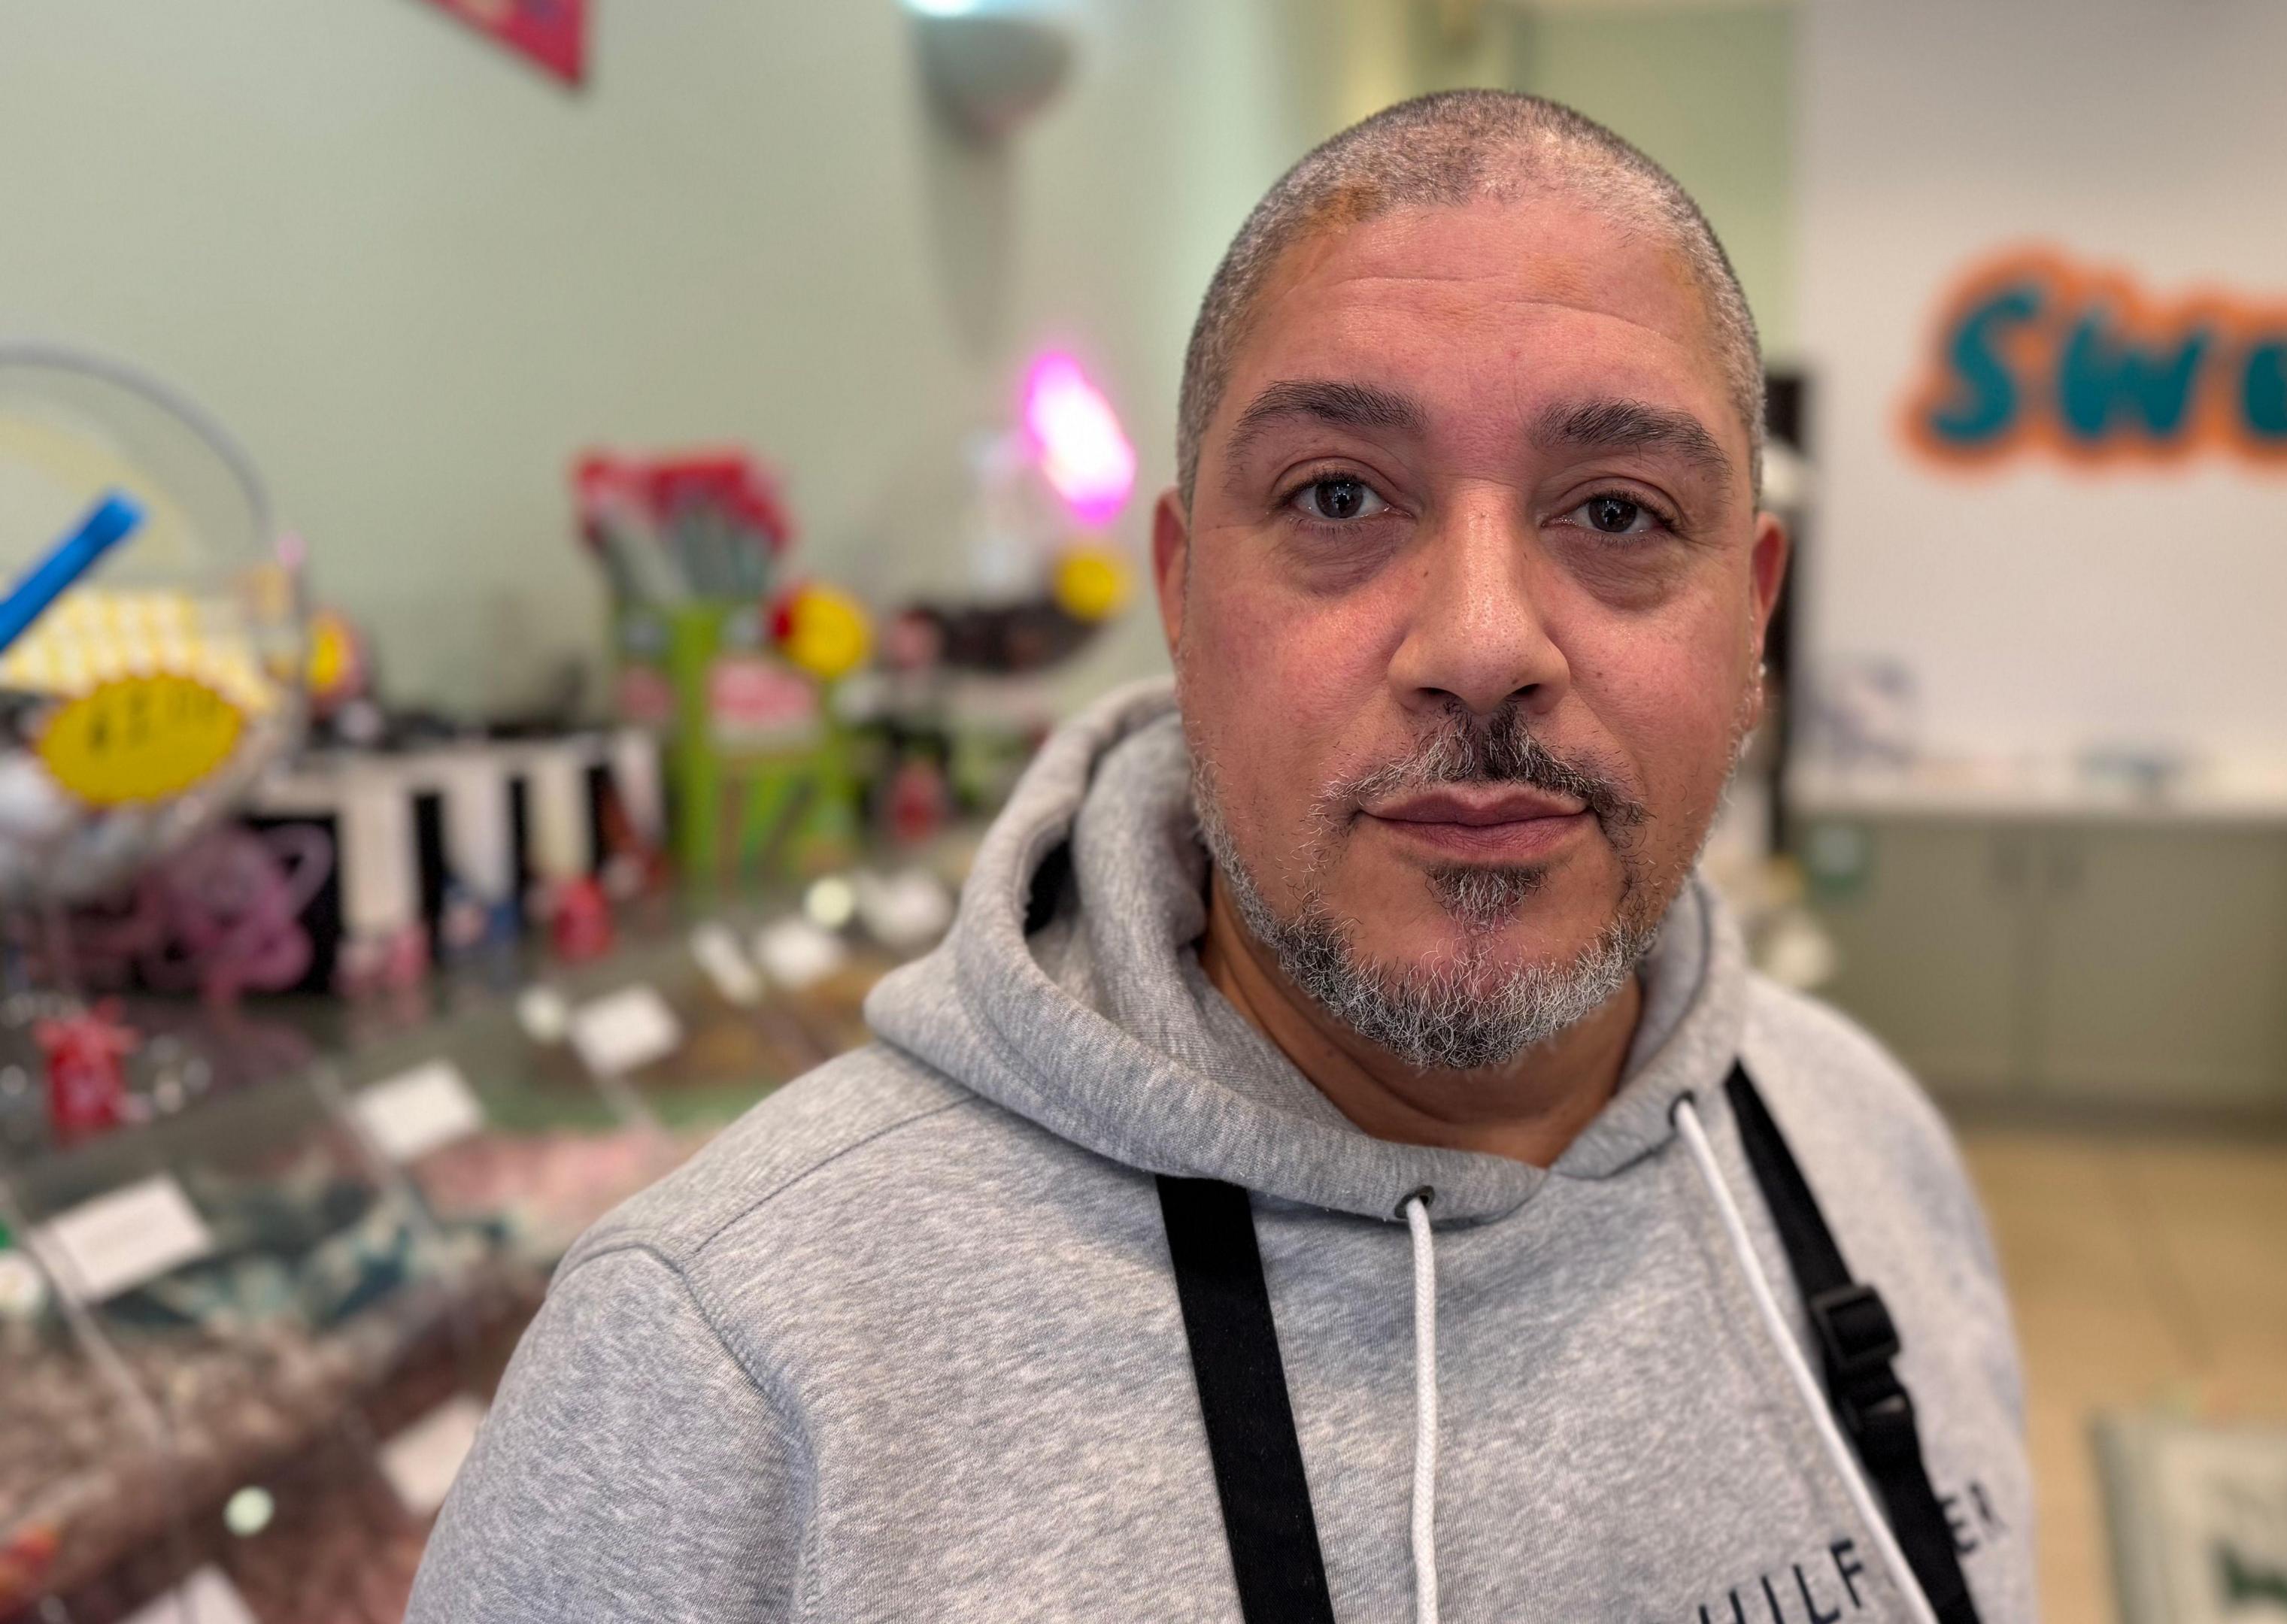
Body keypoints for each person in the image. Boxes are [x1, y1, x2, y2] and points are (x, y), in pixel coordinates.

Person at [407, 90, 2034, 1623]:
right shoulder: (732, 1367)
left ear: (1752, 618)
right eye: (1338, 493)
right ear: (1183, 600)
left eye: (1616, 514)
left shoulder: (1861, 1145)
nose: (1482, 644)